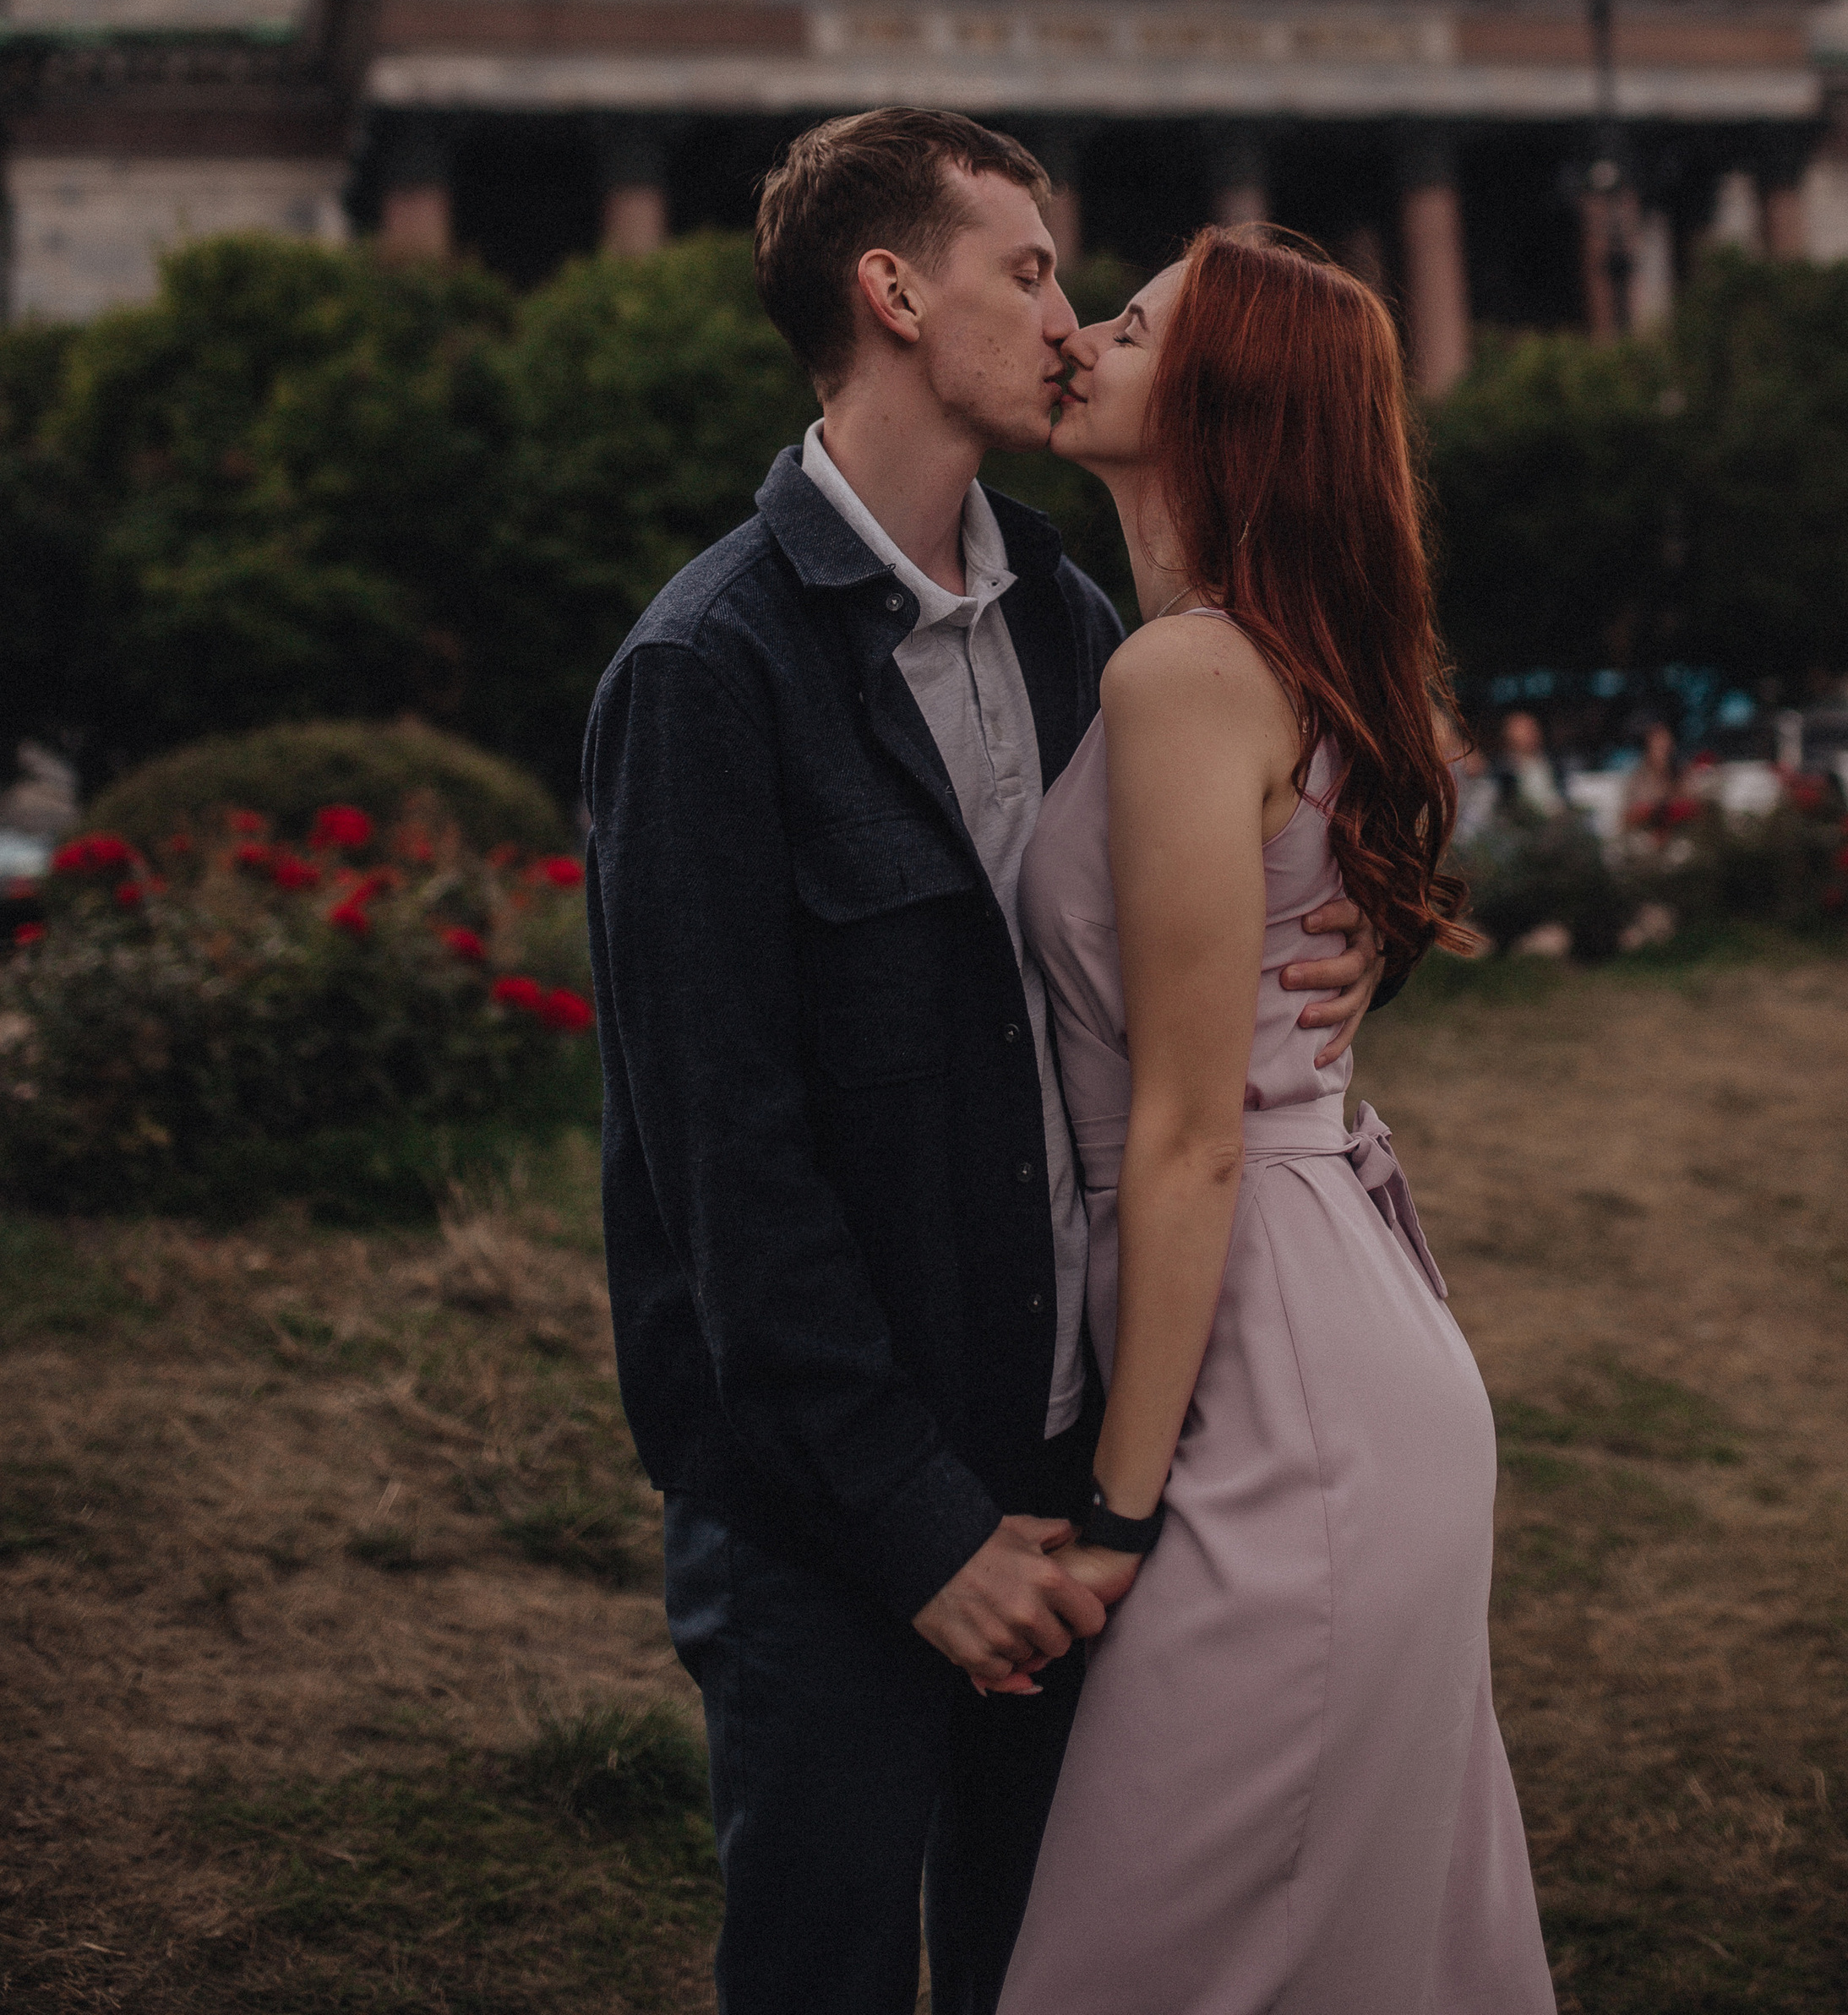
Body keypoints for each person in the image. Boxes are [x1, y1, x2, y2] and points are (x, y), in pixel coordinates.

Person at [581, 112, 1383, 2015]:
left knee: (1046, 1976)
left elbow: (1159, 956)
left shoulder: (1066, 614)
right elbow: (724, 1174)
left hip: (1061, 1467)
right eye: (1026, 272)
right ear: (891, 292)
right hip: (833, 1520)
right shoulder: (706, 671)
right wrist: (920, 1534)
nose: (1066, 319)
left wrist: (1359, 941)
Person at [998, 229, 1555, 2015]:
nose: (1080, 338)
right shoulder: (1259, 660)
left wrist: (1115, 1511)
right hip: (1335, 1347)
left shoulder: (1183, 677)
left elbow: (1191, 1137)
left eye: (1131, 324)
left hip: (1274, 1390)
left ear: (1223, 401)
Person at [1493, 703, 1565, 819]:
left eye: (1532, 728)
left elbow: (1564, 791)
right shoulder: (1503, 769)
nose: (1530, 733)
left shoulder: (1553, 761)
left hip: (1559, 817)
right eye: (1523, 730)